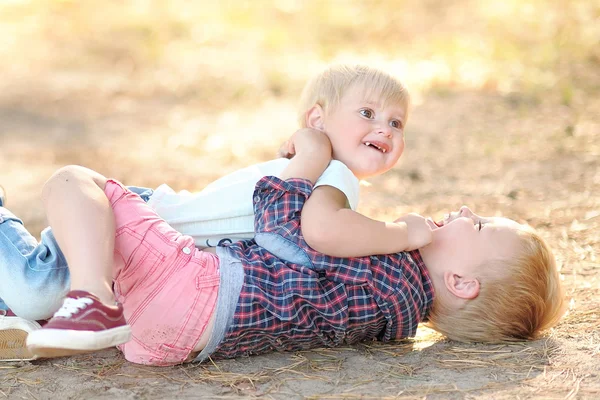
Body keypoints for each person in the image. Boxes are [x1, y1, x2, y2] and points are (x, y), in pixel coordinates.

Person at [23, 129, 565, 366]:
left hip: (196, 291)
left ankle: (91, 298)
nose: (467, 212)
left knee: (76, 183)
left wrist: (307, 160)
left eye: (477, 226)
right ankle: (51, 308)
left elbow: (282, 232)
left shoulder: (387, 260)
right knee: (86, 242)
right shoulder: (395, 322)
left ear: (462, 284)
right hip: (172, 343)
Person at [0, 64, 411, 361]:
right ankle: (84, 297)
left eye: (397, 122)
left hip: (153, 263)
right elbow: (324, 233)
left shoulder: (330, 181)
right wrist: (405, 234)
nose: (385, 130)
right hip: (127, 224)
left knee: (35, 299)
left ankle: (19, 311)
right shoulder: (331, 171)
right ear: (317, 120)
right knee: (34, 289)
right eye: (368, 113)